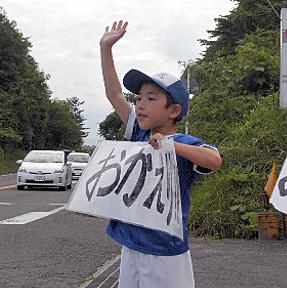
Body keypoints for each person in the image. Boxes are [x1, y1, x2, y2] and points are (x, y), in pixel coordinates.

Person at [99, 20, 222, 288]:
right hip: (131, 243)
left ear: (173, 111)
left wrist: (170, 146)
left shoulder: (183, 142)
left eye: (151, 98)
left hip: (165, 248)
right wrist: (105, 48)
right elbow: (113, 93)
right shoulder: (139, 133)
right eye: (139, 98)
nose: (140, 105)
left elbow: (214, 159)